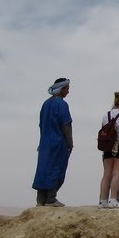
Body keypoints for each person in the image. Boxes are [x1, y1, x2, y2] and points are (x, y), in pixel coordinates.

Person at [32, 77, 73, 207]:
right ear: (62, 89)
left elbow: (41, 124)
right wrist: (70, 142)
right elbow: (66, 124)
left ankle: (41, 200)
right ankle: (51, 199)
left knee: (43, 169)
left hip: (45, 143)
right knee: (56, 169)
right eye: (67, 88)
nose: (68, 91)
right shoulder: (61, 104)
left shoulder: (45, 104)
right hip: (58, 143)